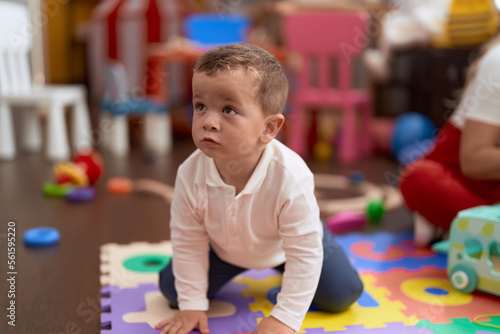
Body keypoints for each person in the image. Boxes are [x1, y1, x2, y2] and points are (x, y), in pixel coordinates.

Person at [154, 43, 363, 334]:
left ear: (268, 129)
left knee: (343, 293)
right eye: (200, 106)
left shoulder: (291, 176)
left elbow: (303, 254)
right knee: (173, 291)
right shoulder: (190, 173)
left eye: (228, 110)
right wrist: (192, 305)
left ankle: (319, 235)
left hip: (285, 248)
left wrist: (285, 319)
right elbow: (189, 240)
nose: (209, 122)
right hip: (222, 250)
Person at [399, 34, 500, 247]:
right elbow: (474, 161)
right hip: (462, 175)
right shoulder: (497, 63)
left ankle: (465, 228)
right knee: (419, 177)